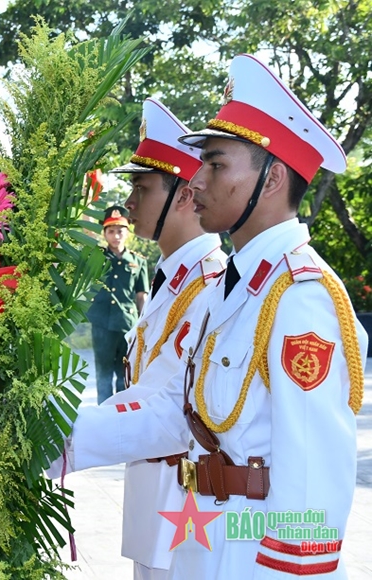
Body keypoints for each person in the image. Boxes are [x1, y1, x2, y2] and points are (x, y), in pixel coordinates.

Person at [58, 55, 368, 578]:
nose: (195, 181)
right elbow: (174, 413)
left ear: (271, 181)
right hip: (204, 536)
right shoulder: (238, 287)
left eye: (216, 164)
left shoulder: (300, 295)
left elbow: (314, 470)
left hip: (255, 555)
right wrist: (40, 435)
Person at [105, 98, 226, 580]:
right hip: (157, 505)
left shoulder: (211, 284)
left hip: (188, 514)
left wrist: (60, 439)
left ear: (182, 194)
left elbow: (169, 410)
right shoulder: (173, 279)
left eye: (142, 187)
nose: (129, 202)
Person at [87, 205, 149, 403]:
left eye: (120, 231)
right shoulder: (96, 257)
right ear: (104, 233)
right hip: (102, 323)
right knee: (103, 375)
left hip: (127, 325)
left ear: (127, 233)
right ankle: (103, 416)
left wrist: (143, 324)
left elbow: (141, 296)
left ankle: (121, 417)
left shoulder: (138, 262)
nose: (116, 236)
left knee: (125, 376)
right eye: (111, 231)